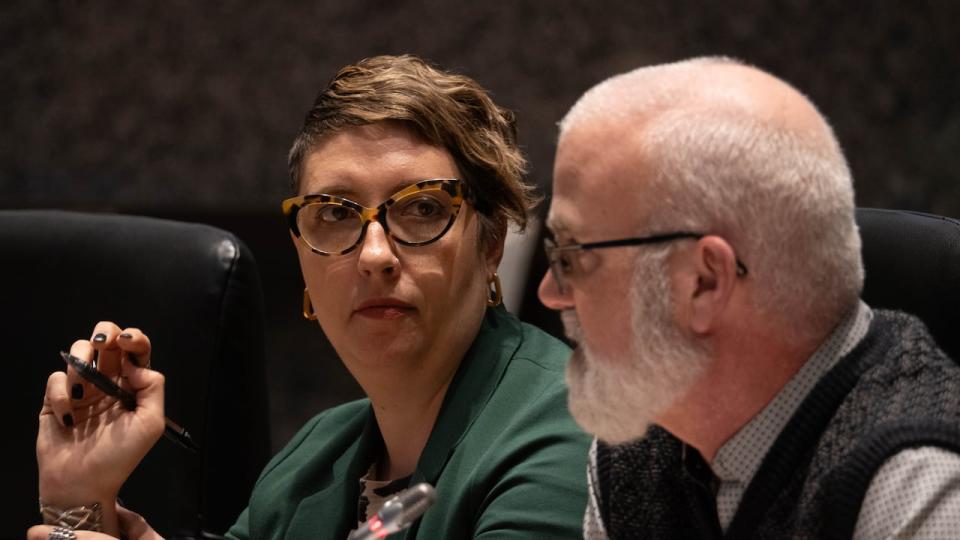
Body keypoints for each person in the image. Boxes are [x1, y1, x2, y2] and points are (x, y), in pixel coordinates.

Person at [30, 55, 590, 540]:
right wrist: (82, 500)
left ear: (490, 243)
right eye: (334, 214)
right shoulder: (317, 456)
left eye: (423, 208)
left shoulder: (569, 435)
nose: (374, 254)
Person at [537, 56, 960, 539]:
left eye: (572, 259)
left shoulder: (923, 489)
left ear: (704, 282)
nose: (549, 293)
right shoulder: (635, 446)